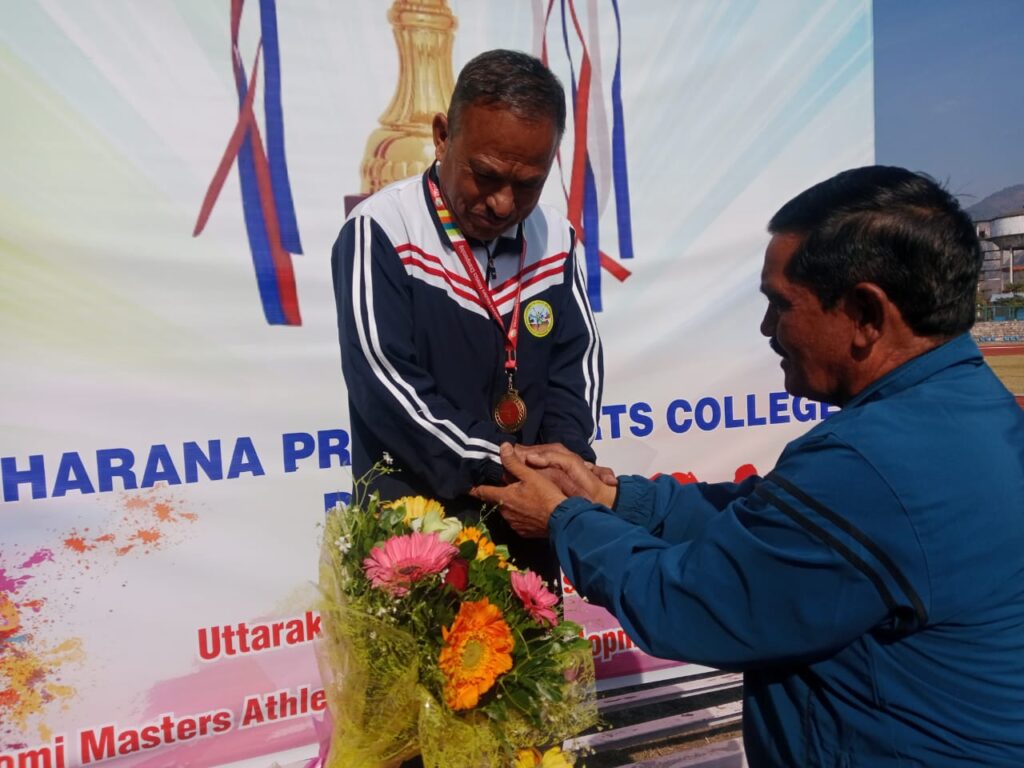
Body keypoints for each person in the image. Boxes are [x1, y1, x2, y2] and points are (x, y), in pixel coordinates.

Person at [473, 166, 1024, 766]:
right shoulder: (969, 411)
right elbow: (768, 523)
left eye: (781, 305)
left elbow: (687, 602)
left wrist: (564, 520)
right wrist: (612, 500)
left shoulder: (874, 464)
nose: (767, 330)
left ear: (867, 314)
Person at [332, 49, 602, 583]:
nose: (503, 203)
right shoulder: (380, 230)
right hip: (415, 541)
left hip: (531, 524)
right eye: (485, 175)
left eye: (527, 184)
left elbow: (575, 368)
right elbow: (390, 393)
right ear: (442, 137)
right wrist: (512, 466)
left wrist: (564, 462)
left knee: (535, 640)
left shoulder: (555, 236)